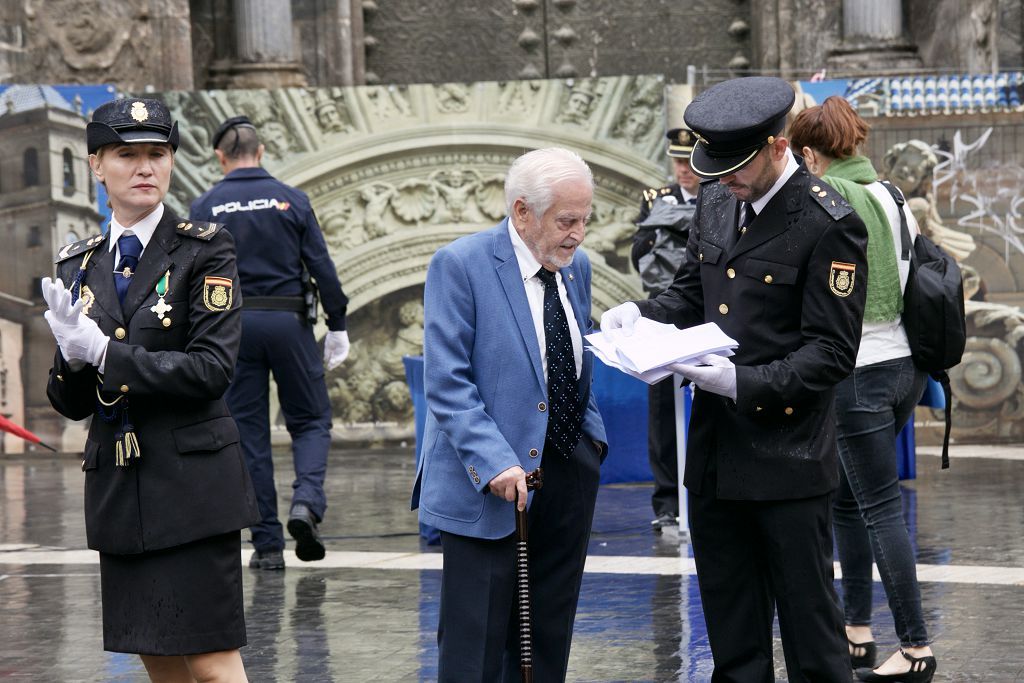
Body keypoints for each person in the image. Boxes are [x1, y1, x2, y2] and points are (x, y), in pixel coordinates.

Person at [602, 77, 869, 682]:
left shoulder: (828, 221)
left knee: (813, 639)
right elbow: (695, 293)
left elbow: (830, 353)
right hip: (718, 458)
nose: (721, 178)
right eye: (715, 165)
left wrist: (740, 383)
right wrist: (643, 314)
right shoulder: (719, 200)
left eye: (736, 165)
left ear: (779, 147)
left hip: (789, 457)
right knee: (733, 635)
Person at [42, 97, 259, 682]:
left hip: (191, 487)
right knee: (158, 660)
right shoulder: (78, 264)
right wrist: (70, 357)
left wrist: (104, 352)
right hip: (120, 486)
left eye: (157, 155)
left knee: (212, 664)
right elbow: (70, 403)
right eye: (127, 154)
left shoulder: (205, 247)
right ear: (96, 165)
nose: (145, 168)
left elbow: (212, 370)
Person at [411, 147, 607, 681]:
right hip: (492, 481)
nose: (579, 235)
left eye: (585, 220)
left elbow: (572, 356)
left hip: (566, 473)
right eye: (567, 221)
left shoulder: (577, 268)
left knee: (547, 635)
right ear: (523, 212)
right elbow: (447, 382)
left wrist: (592, 441)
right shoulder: (461, 264)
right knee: (476, 647)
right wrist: (495, 462)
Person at [790, 96, 936, 683]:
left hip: (859, 371)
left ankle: (916, 647)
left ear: (810, 153)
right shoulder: (891, 194)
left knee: (878, 508)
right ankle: (856, 630)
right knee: (850, 500)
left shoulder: (830, 198)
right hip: (905, 367)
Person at [190, 116, 351, 570]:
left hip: (233, 329)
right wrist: (336, 325)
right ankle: (306, 503)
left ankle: (266, 546)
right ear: (261, 153)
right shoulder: (291, 200)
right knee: (312, 419)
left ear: (220, 157)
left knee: (249, 435)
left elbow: (190, 276)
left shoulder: (205, 205)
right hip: (289, 323)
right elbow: (322, 268)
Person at [632, 127, 701, 531]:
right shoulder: (655, 201)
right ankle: (667, 501)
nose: (682, 170)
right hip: (668, 309)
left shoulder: (723, 196)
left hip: (708, 312)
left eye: (688, 161)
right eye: (677, 161)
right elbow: (638, 254)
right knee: (662, 408)